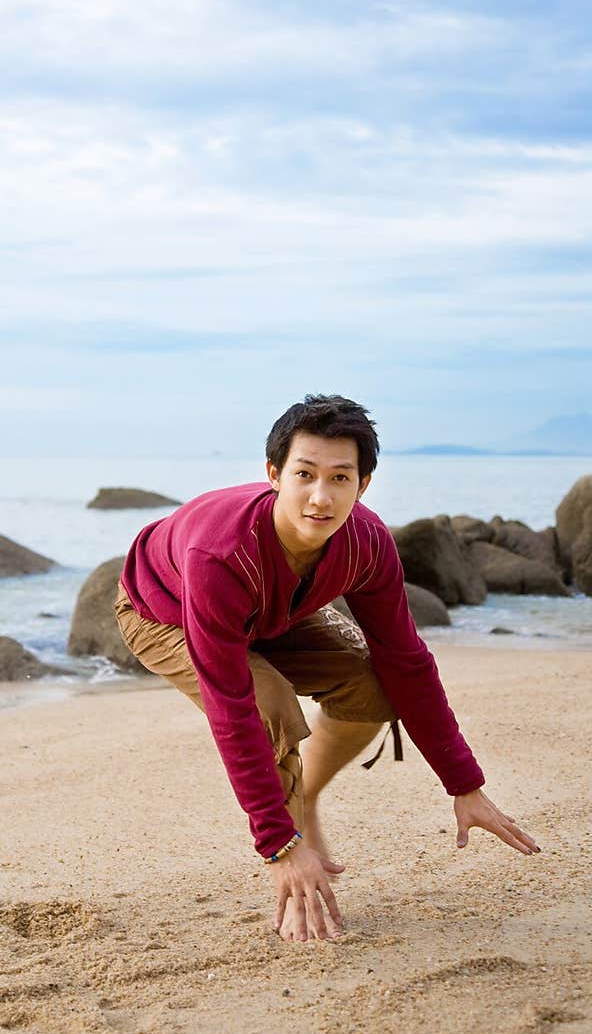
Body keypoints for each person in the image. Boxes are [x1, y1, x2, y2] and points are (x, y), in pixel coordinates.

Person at [114, 394, 540, 943]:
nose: (321, 496)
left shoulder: (366, 542)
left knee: (373, 683)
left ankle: (304, 792)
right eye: (305, 474)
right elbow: (231, 703)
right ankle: (295, 873)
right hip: (162, 610)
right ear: (274, 474)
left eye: (341, 478)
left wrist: (464, 784)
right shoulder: (221, 553)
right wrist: (277, 844)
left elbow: (406, 661)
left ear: (362, 485)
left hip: (277, 608)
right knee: (270, 708)